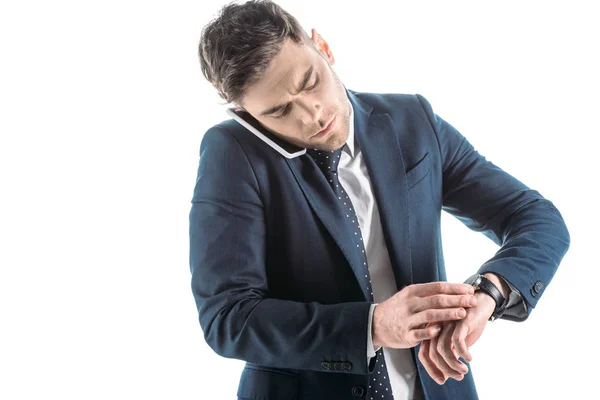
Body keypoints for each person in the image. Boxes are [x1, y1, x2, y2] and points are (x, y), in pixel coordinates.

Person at [189, 1, 570, 399]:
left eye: (310, 81)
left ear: (323, 48)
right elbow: (227, 318)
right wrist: (373, 326)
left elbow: (534, 216)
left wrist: (489, 293)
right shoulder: (231, 153)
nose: (312, 115)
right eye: (280, 111)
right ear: (245, 114)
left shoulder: (413, 121)